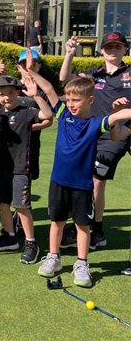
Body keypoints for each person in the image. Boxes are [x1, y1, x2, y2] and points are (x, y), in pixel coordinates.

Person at [21, 51, 131, 287]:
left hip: (83, 185)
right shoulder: (63, 115)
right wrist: (30, 71)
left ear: (90, 101)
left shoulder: (96, 123)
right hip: (58, 181)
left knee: (82, 225)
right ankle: (54, 258)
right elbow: (50, 89)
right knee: (56, 222)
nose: (70, 104)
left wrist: (118, 111)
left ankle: (82, 263)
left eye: (76, 101)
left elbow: (120, 116)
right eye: (68, 100)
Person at [0, 72, 53, 265]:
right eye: (2, 94)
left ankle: (31, 243)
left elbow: (48, 115)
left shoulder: (27, 111)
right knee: (2, 202)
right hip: (1, 167)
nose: (7, 96)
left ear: (17, 92)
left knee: (21, 207)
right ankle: (10, 237)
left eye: (11, 92)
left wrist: (36, 96)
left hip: (21, 168)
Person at [59, 32, 131, 250]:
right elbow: (65, 78)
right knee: (89, 180)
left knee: (96, 180)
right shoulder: (94, 74)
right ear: (101, 51)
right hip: (93, 134)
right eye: (108, 47)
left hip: (118, 134)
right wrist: (69, 54)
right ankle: (93, 230)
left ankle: (91, 229)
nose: (113, 51)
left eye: (118, 47)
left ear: (125, 50)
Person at [0, 51, 53, 235]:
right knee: (5, 196)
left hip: (29, 148)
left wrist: (25, 127)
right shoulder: (10, 88)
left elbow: (49, 119)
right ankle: (9, 229)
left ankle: (20, 225)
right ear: (19, 66)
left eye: (34, 64)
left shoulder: (38, 90)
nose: (30, 66)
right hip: (8, 149)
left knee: (22, 193)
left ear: (38, 66)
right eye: (25, 64)